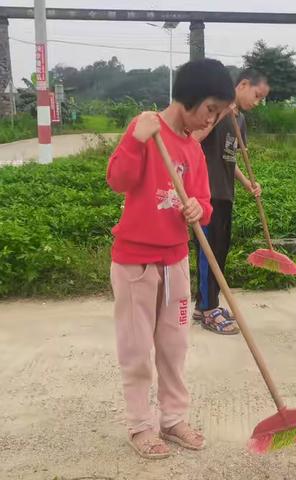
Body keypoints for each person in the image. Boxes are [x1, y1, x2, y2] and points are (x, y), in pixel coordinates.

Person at [106, 58, 235, 459]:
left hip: (175, 261)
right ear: (191, 99)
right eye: (211, 109)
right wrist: (135, 140)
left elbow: (204, 203)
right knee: (136, 349)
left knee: (174, 346)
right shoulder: (146, 130)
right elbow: (118, 181)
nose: (211, 119)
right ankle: (141, 425)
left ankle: (173, 417)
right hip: (135, 264)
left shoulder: (193, 150)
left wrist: (198, 208)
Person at [192, 69, 270, 335]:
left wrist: (247, 183)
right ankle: (208, 309)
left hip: (225, 194)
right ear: (244, 85)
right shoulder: (212, 109)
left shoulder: (241, 120)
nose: (258, 102)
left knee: (220, 252)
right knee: (208, 253)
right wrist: (221, 114)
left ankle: (205, 304)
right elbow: (193, 140)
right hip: (205, 195)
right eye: (257, 95)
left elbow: (230, 159)